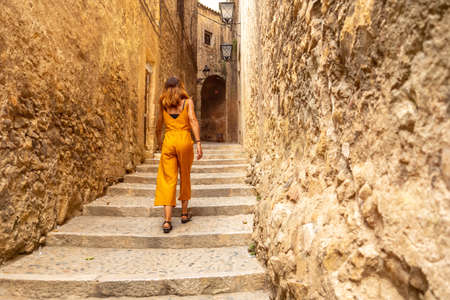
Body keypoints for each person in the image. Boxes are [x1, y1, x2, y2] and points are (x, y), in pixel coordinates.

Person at [154, 77, 203, 233]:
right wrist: (199, 143)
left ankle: (167, 221)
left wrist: (158, 141)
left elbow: (159, 123)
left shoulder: (163, 103)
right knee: (185, 175)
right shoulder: (187, 102)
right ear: (180, 86)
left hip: (169, 139)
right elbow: (193, 120)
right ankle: (183, 213)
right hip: (184, 139)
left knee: (168, 179)